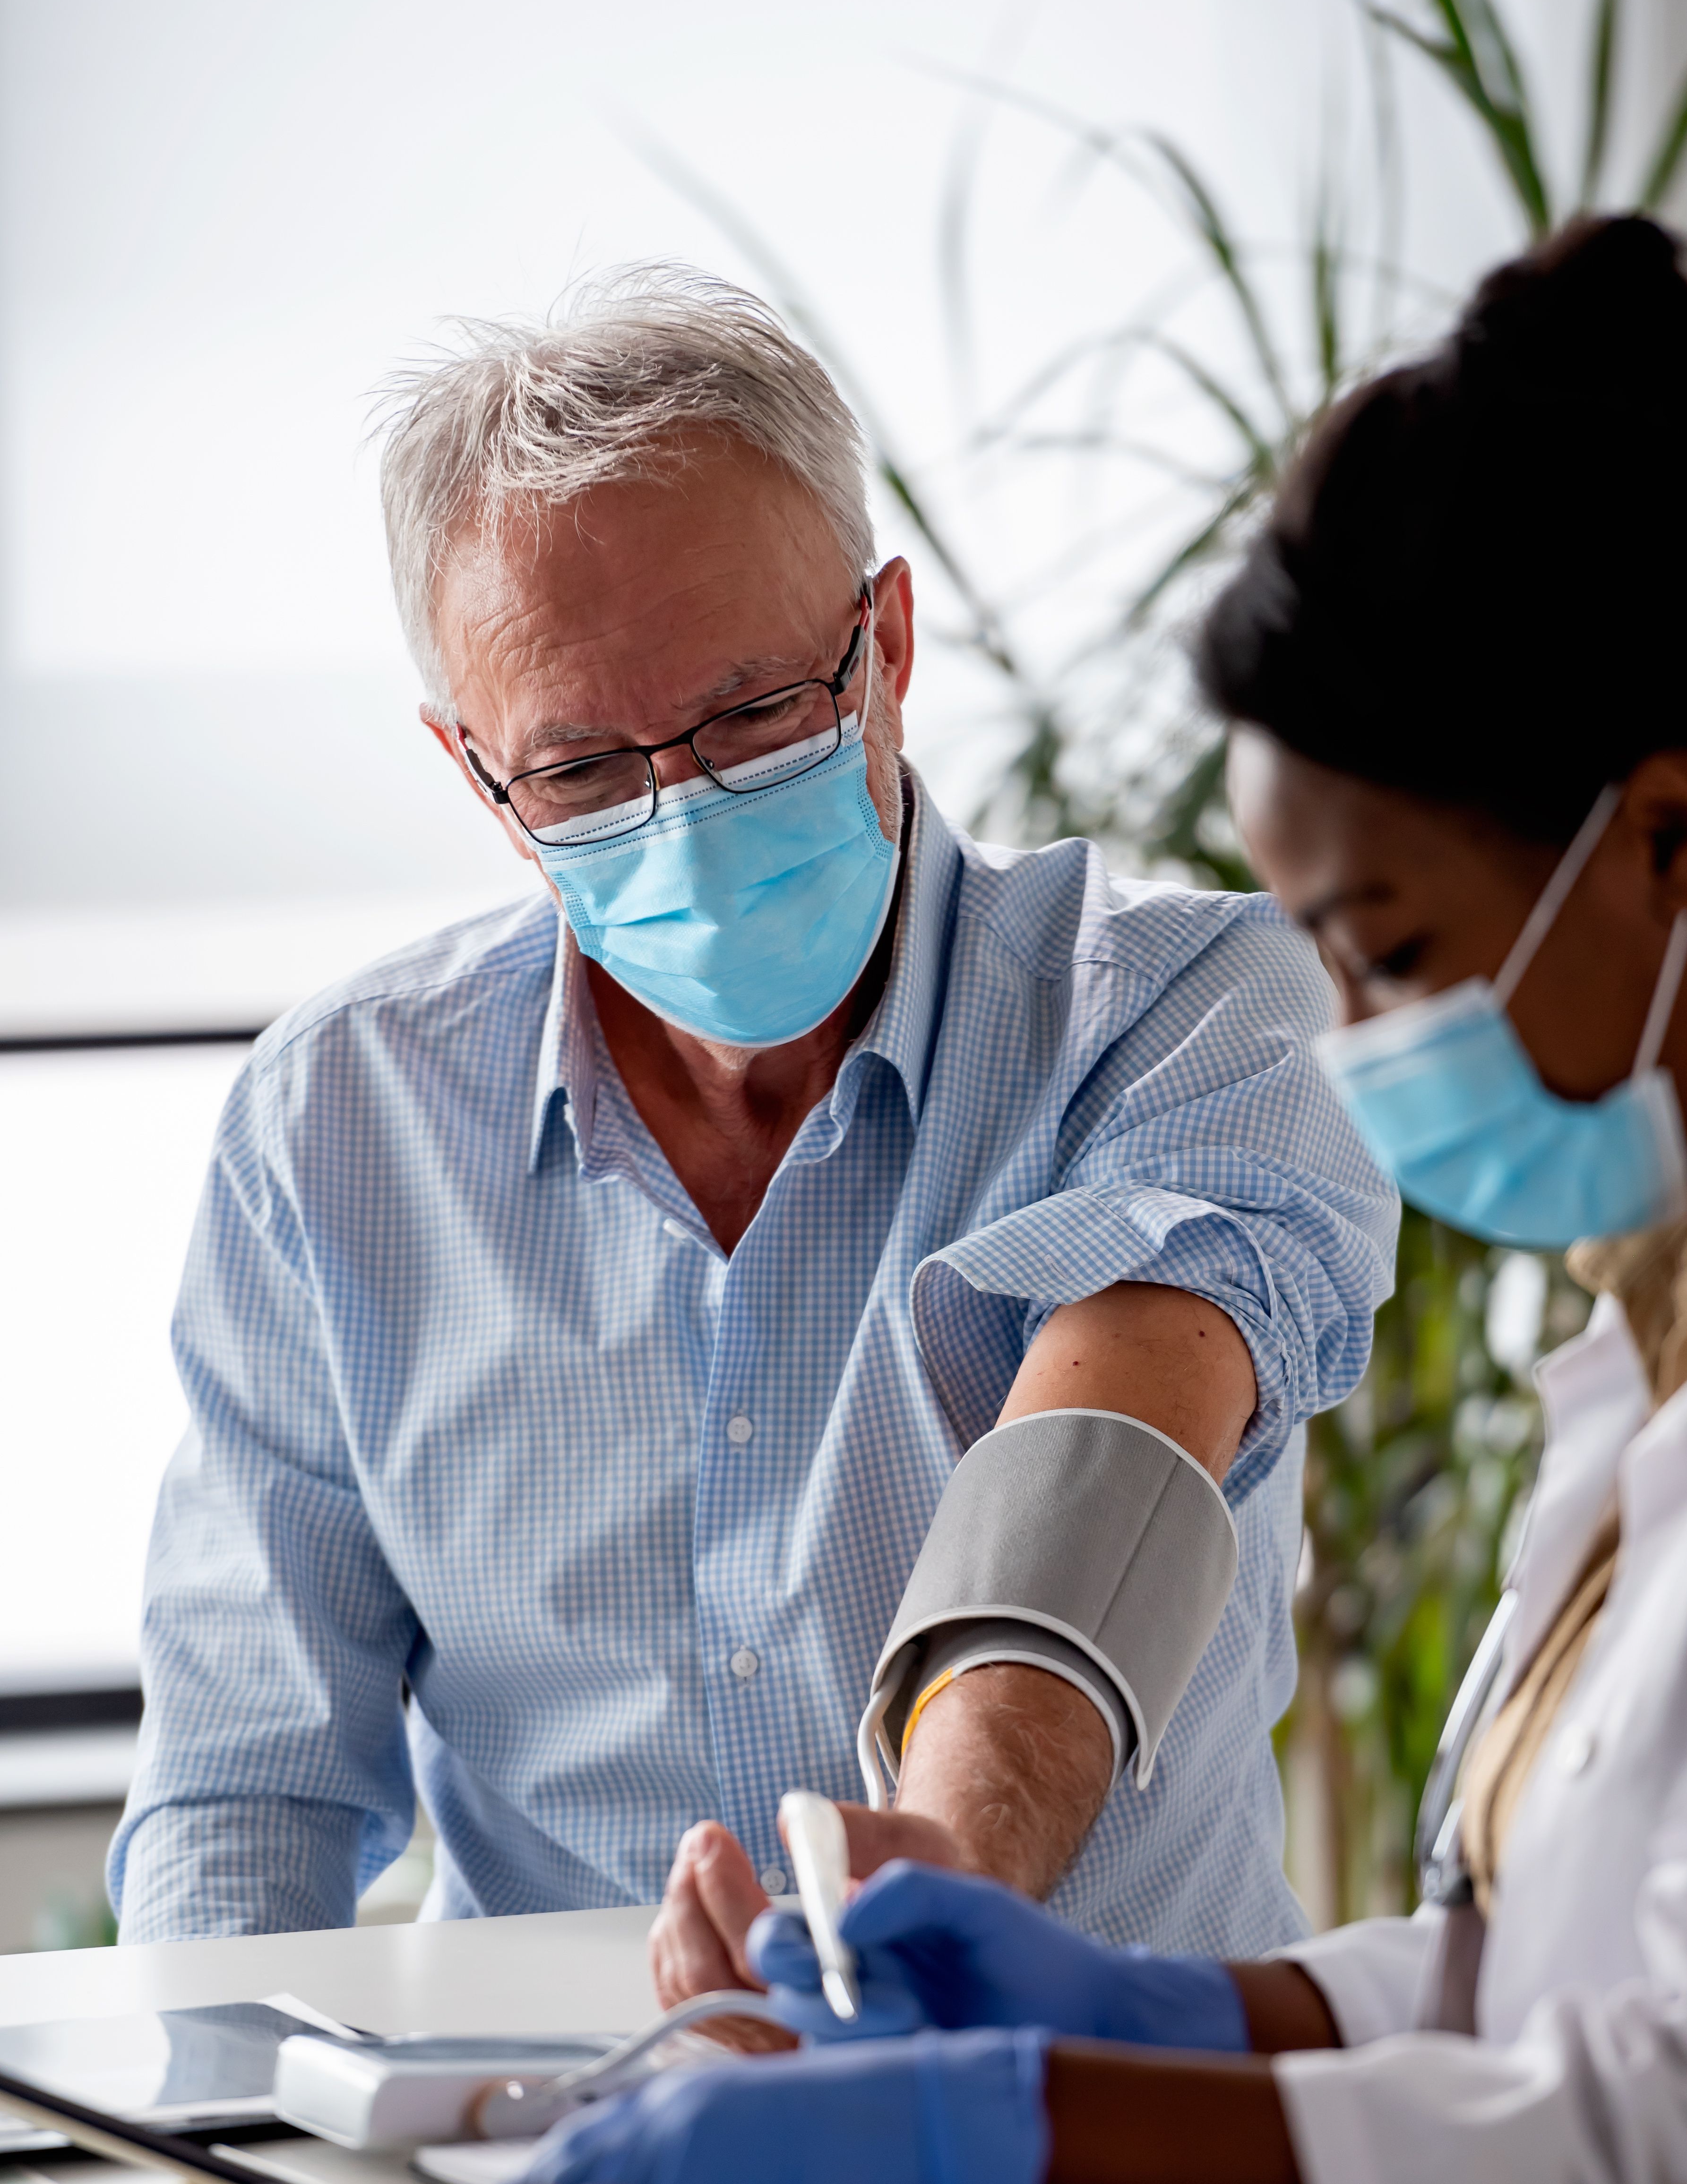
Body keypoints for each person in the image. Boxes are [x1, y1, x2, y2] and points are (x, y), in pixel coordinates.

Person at [516, 218, 1687, 2184]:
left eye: (1398, 950)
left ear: (1665, 843)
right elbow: (1533, 1971)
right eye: (590, 763)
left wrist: (1018, 2121)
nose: (1357, 1043)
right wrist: (1174, 2014)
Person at [108, 265, 1394, 1951]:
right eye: (580, 769)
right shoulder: (338, 1129)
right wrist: (226, 2152)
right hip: (570, 2157)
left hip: (1096, 2148)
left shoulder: (1176, 1012)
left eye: (751, 715)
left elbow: (1103, 1468)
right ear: (477, 775)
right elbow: (251, 1783)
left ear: (889, 646)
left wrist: (938, 1886)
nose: (685, 810)